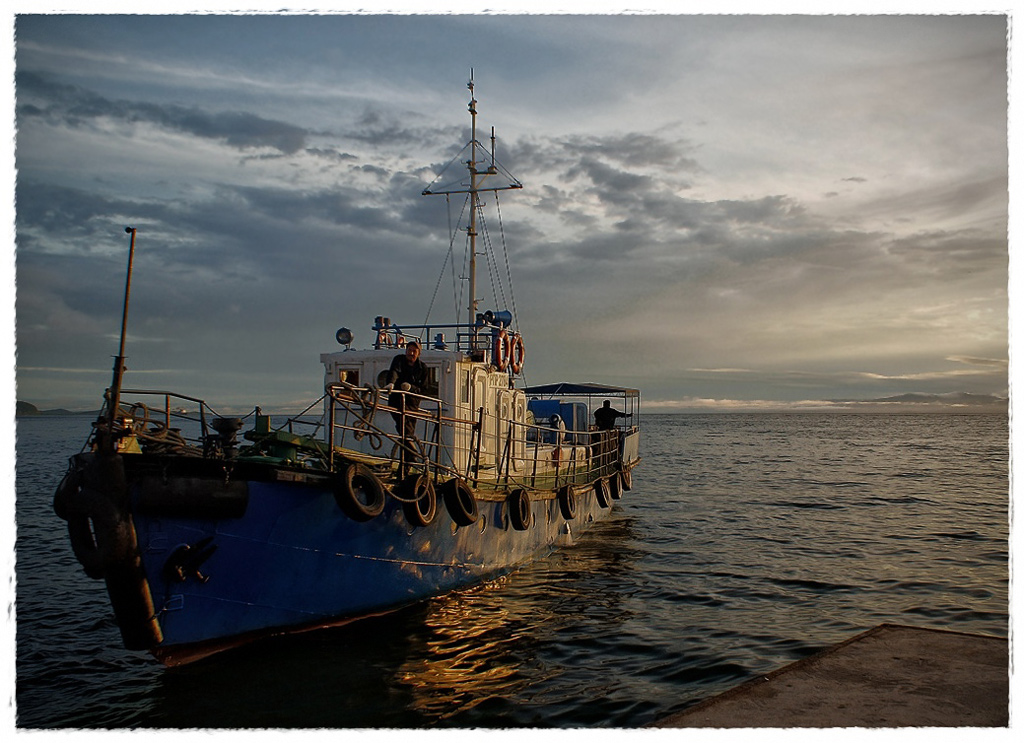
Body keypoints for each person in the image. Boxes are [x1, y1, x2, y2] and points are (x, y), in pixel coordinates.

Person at [384, 340, 428, 439]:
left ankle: (410, 452)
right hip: (397, 400)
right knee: (403, 426)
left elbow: (424, 388)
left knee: (409, 428)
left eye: (414, 351)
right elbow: (394, 371)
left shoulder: (422, 368)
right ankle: (411, 451)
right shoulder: (399, 360)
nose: (411, 353)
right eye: (409, 350)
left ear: (418, 354)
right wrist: (391, 383)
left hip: (412, 403)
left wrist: (410, 387)